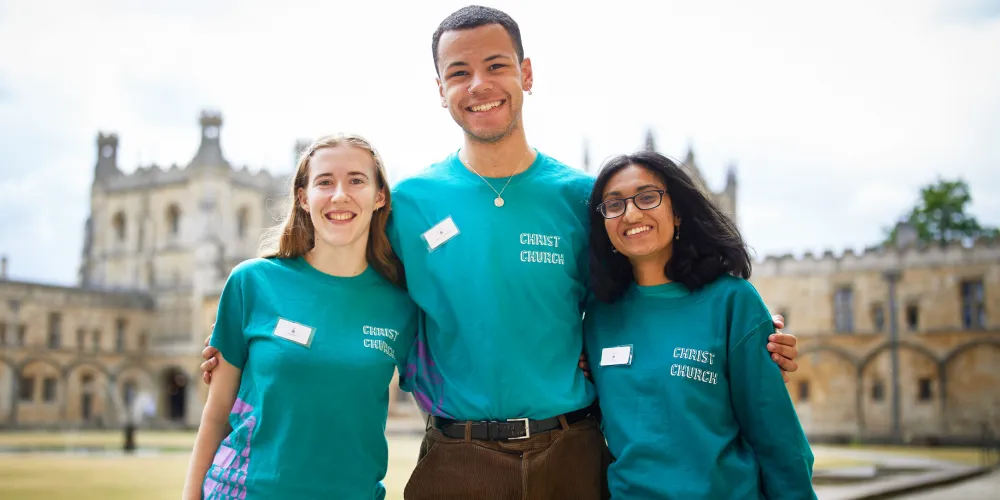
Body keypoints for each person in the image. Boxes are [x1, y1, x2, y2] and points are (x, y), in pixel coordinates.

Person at [199, 6, 801, 499]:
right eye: (458, 72)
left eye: (495, 65)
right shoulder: (408, 204)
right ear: (440, 89)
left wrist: (750, 332)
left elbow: (646, 290)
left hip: (573, 452)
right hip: (457, 457)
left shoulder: (581, 197)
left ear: (527, 73)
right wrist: (257, 344)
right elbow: (351, 282)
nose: (479, 85)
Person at [182, 134, 418, 500]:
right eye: (325, 181)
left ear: (380, 196)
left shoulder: (403, 305)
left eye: (357, 180)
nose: (340, 194)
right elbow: (216, 415)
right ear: (303, 197)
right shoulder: (251, 282)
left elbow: (445, 404)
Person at [583, 151, 816, 499]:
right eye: (614, 205)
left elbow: (778, 439)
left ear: (677, 213)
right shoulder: (599, 316)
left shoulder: (733, 302)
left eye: (647, 197)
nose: (631, 213)